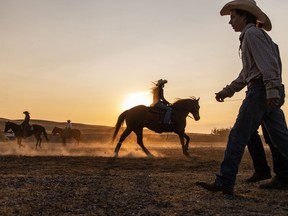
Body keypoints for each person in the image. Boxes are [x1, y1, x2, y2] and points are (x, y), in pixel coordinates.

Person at [197, 0, 288, 195]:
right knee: (281, 140)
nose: (230, 22)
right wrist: (228, 90)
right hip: (268, 90)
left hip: (261, 91)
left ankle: (224, 181)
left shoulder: (252, 34)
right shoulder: (256, 36)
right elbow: (247, 72)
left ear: (244, 16)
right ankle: (283, 177)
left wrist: (271, 89)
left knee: (238, 135)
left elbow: (268, 64)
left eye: (233, 17)